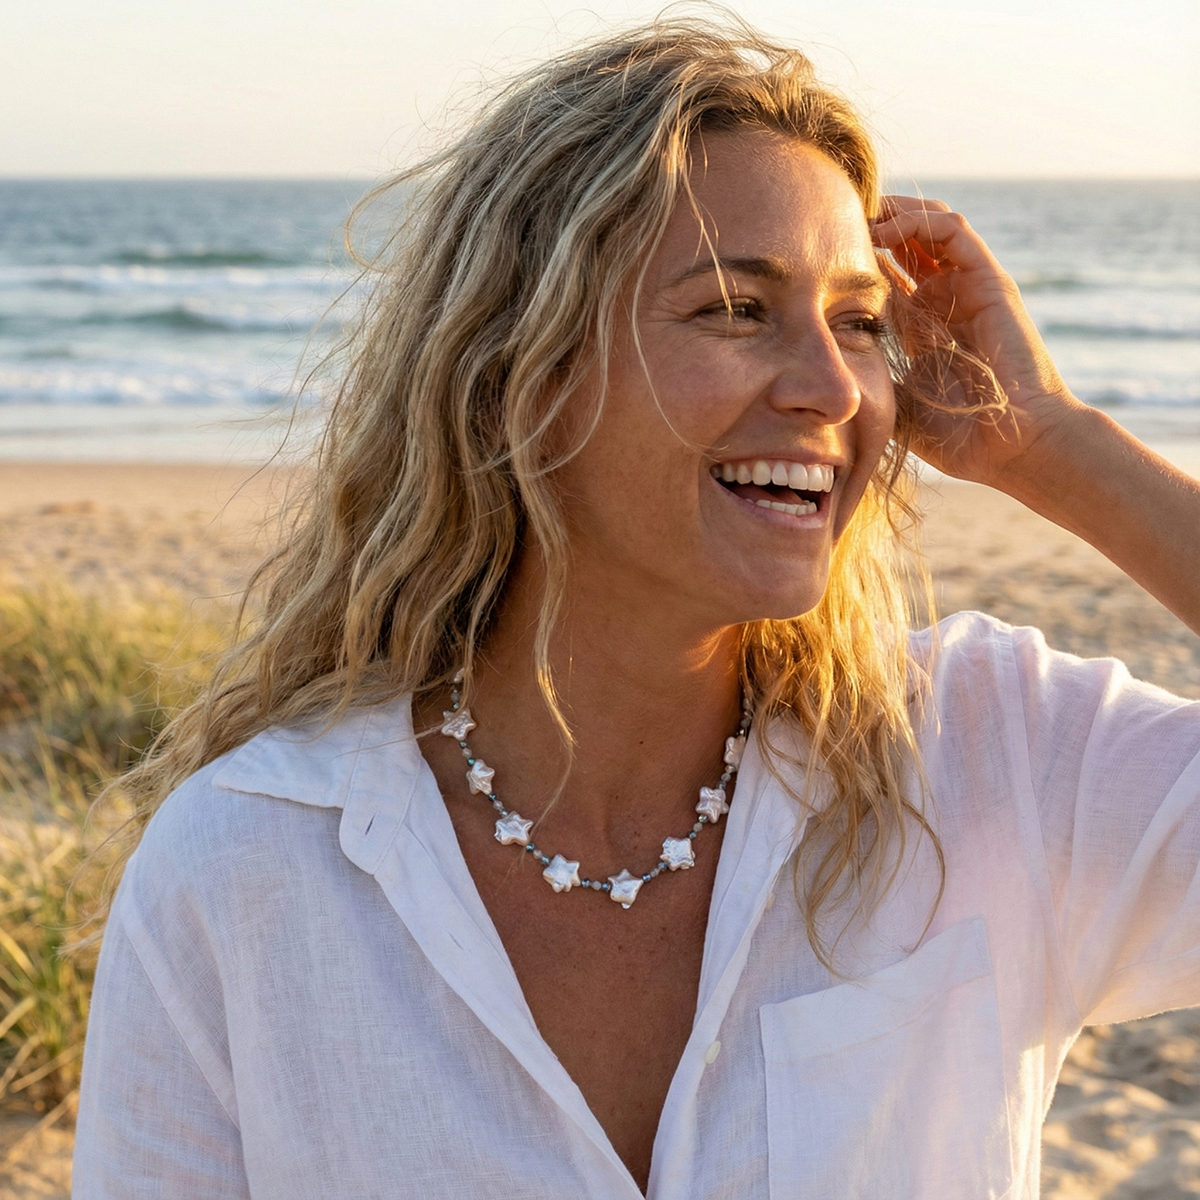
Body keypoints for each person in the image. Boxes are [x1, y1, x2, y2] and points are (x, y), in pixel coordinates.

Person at [73, 15, 1200, 1199]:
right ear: (523, 369)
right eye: (734, 308)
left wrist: (1054, 447)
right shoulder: (246, 866)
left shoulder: (991, 755)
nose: (830, 387)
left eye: (860, 323)